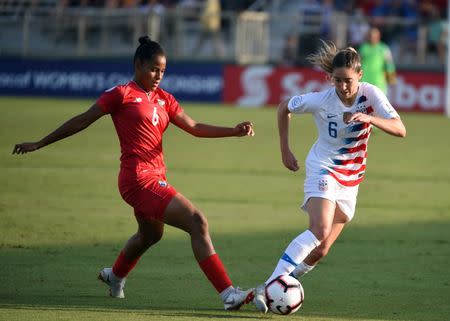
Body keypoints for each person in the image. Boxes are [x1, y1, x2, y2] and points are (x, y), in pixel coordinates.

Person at [13, 36, 255, 311]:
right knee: (197, 221)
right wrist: (40, 142)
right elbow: (83, 119)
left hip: (156, 177)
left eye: (162, 71)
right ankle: (228, 295)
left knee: (150, 236)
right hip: (138, 179)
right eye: (153, 69)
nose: (158, 76)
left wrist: (233, 131)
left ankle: (115, 276)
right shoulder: (121, 94)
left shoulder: (164, 99)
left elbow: (195, 126)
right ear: (138, 65)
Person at [253, 40, 406, 313]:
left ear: (360, 76)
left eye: (348, 81)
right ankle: (269, 287)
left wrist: (369, 119)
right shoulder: (321, 100)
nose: (343, 87)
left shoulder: (371, 95)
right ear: (330, 79)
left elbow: (399, 128)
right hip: (323, 167)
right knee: (320, 229)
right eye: (337, 81)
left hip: (352, 179)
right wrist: (285, 149)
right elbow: (284, 107)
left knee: (321, 250)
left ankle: (278, 289)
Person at [359, 27, 397, 95]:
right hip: (364, 81)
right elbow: (358, 64)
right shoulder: (363, 48)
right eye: (370, 36)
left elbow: (389, 65)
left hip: (379, 83)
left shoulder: (384, 48)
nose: (372, 37)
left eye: (374, 36)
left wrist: (391, 79)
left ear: (378, 36)